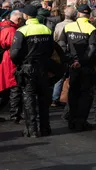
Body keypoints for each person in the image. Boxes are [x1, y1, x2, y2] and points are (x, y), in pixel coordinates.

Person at [10, 5, 54, 137]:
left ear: (26, 16)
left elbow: (15, 53)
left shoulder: (22, 30)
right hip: (43, 68)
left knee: (29, 98)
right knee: (43, 99)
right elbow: (51, 50)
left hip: (28, 69)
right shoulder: (46, 29)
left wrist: (19, 64)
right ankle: (45, 128)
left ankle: (32, 129)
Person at [59, 4, 96, 131]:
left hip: (73, 65)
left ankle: (71, 121)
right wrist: (81, 61)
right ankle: (81, 122)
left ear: (78, 14)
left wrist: (70, 59)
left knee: (73, 92)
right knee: (85, 94)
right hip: (86, 66)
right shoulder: (91, 28)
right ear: (89, 15)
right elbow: (92, 48)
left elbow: (62, 44)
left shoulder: (68, 27)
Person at [0, 10, 23, 123]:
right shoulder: (11, 30)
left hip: (5, 60)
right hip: (10, 60)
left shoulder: (4, 26)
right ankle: (15, 114)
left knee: (5, 88)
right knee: (14, 86)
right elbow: (14, 47)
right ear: (18, 19)